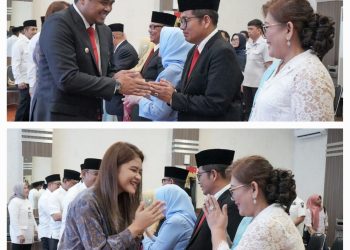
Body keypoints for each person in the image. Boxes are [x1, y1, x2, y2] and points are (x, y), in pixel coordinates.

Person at [31, 0, 151, 121]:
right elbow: (67, 78)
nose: (108, 8)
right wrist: (117, 85)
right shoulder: (58, 23)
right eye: (104, 2)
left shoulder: (105, 31)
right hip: (60, 117)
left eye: (111, 3)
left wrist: (118, 76)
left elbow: (103, 72)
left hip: (92, 114)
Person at [59, 142, 165, 249]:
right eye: (133, 170)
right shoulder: (86, 201)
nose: (138, 177)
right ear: (114, 168)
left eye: (140, 172)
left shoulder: (123, 200)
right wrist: (136, 227)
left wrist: (139, 230)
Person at [150, 0, 244, 121]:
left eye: (185, 21)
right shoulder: (194, 49)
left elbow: (215, 103)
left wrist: (173, 97)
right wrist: (169, 90)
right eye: (180, 22)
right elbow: (190, 90)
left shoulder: (222, 51)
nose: (182, 27)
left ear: (206, 21)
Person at [250, 0, 335, 121]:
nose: (265, 35)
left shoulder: (310, 75)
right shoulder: (282, 64)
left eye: (267, 27)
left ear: (288, 29)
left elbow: (310, 135)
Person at [204, 155, 304, 250]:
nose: (232, 197)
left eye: (233, 190)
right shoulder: (269, 215)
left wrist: (217, 229)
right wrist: (223, 232)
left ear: (253, 189)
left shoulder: (266, 224)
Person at [125, 27, 192, 121]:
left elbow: (158, 112)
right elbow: (167, 98)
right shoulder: (185, 66)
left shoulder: (171, 72)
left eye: (163, 42)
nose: (161, 48)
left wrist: (137, 99)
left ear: (170, 44)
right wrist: (146, 93)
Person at [186, 149, 242, 250]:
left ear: (213, 174)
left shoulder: (232, 204)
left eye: (199, 176)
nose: (198, 182)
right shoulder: (212, 200)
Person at [132, 11, 177, 121]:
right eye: (149, 26)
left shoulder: (167, 56)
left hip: (153, 108)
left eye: (154, 27)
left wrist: (141, 81)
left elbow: (163, 82)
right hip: (144, 105)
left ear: (166, 30)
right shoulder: (153, 49)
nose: (150, 30)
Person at [142, 184, 196, 250]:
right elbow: (164, 241)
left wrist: (145, 236)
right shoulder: (183, 217)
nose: (159, 206)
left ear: (168, 200)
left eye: (161, 202)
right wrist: (149, 234)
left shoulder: (176, 221)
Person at [59, 158, 101, 241]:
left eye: (101, 175)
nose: (99, 178)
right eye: (96, 174)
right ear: (84, 174)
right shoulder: (74, 194)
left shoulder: (98, 193)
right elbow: (68, 223)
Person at [104, 23, 139, 121]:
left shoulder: (125, 50)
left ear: (113, 37)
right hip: (116, 102)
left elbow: (117, 73)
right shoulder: (120, 49)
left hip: (120, 102)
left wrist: (102, 75)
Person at [241, 19, 272, 120]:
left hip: (258, 84)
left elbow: (269, 66)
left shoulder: (265, 44)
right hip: (247, 83)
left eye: (251, 29)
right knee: (247, 109)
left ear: (259, 30)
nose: (249, 31)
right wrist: (242, 81)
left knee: (257, 110)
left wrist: (268, 84)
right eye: (248, 29)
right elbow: (247, 64)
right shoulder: (248, 43)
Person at [12, 19, 38, 121]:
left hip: (31, 80)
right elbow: (15, 63)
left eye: (36, 29)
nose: (35, 31)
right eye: (32, 29)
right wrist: (19, 80)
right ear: (25, 30)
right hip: (23, 81)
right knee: (24, 107)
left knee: (29, 107)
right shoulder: (19, 44)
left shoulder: (33, 42)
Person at [47, 169, 80, 249]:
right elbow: (56, 217)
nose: (76, 186)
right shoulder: (55, 195)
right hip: (57, 235)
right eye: (74, 183)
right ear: (66, 181)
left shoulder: (74, 193)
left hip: (70, 234)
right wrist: (75, 215)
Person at [8, 183, 38, 250]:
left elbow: (31, 217)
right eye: (24, 188)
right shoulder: (14, 202)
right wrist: (19, 234)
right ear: (19, 190)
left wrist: (36, 229)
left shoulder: (27, 201)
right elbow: (13, 220)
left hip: (28, 235)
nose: (27, 190)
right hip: (19, 236)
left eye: (27, 188)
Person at [38, 174, 61, 250]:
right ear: (50, 184)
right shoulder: (45, 197)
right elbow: (53, 215)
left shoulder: (53, 196)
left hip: (52, 232)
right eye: (57, 184)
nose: (59, 186)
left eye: (60, 184)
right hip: (47, 233)